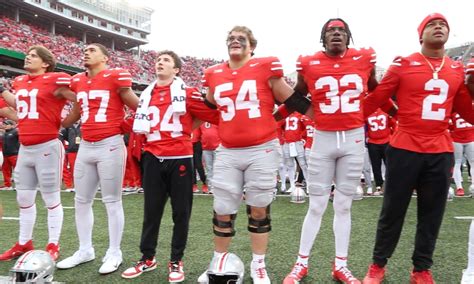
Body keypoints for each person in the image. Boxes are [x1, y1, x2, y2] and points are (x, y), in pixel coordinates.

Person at [361, 13, 474, 284]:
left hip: (440, 149)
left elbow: (466, 112)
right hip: (404, 147)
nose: (439, 27)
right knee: (392, 211)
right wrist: (341, 124)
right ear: (420, 34)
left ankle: (421, 269)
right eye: (432, 25)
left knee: (432, 215)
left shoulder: (456, 69)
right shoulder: (404, 64)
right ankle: (378, 264)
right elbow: (376, 99)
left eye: (444, 25)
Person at [198, 26, 311, 284]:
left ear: (252, 46)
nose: (234, 41)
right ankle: (219, 261)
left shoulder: (265, 66)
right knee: (222, 208)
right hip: (228, 150)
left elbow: (291, 100)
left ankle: (258, 264)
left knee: (259, 209)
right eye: (230, 38)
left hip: (262, 148)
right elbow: (208, 107)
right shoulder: (213, 73)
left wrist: (319, 117)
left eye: (241, 39)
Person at [282, 18, 381, 284]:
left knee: (343, 206)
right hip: (323, 139)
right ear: (322, 38)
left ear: (349, 37)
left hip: (353, 139)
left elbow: (378, 93)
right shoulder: (309, 63)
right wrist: (278, 118)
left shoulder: (363, 59)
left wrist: (395, 113)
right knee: (315, 206)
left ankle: (341, 265)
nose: (336, 34)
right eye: (330, 31)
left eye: (341, 31)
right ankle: (301, 263)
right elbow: (295, 97)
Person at [121, 50, 219, 282]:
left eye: (166, 60)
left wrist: (187, 129)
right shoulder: (146, 95)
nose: (160, 63)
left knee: (181, 213)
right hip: (153, 157)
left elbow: (211, 115)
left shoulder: (187, 93)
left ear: (176, 70)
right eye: (158, 60)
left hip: (180, 158)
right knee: (151, 212)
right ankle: (147, 258)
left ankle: (176, 260)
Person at [56, 43, 139, 274]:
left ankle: (114, 252)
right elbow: (78, 110)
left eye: (92, 50)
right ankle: (85, 250)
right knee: (81, 201)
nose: (86, 51)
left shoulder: (116, 76)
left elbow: (138, 107)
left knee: (112, 201)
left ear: (105, 57)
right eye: (85, 49)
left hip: (110, 145)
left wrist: (123, 125)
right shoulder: (77, 81)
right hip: (86, 145)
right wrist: (59, 124)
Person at [0, 45, 74, 261]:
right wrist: (4, 93)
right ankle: (24, 242)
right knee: (23, 198)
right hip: (26, 147)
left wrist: (67, 121)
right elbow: (23, 105)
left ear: (45, 63)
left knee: (51, 198)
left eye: (33, 56)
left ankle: (53, 244)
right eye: (28, 54)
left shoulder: (56, 79)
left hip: (47, 146)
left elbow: (79, 97)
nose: (28, 57)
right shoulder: (20, 82)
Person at [366, 108, 395, 195]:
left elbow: (393, 123)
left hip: (382, 141)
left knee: (386, 165)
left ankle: (386, 186)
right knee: (378, 166)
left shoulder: (383, 111)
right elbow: (393, 124)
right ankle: (380, 186)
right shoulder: (385, 111)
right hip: (377, 142)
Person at [450, 112, 474, 197]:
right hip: (464, 139)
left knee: (458, 163)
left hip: (460, 139)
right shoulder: (468, 110)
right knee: (468, 163)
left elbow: (449, 127)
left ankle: (459, 188)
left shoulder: (453, 113)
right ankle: (460, 187)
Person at [59, 122, 81, 192]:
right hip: (70, 150)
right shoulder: (68, 126)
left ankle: (77, 186)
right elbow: (62, 136)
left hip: (81, 149)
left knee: (77, 169)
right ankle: (70, 186)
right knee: (68, 168)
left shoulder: (83, 125)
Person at [1, 120, 19, 190]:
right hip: (5, 155)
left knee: (17, 171)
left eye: (7, 124)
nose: (5, 125)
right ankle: (7, 185)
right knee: (5, 171)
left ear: (12, 125)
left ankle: (19, 186)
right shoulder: (4, 133)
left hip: (14, 154)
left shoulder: (15, 132)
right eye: (4, 124)